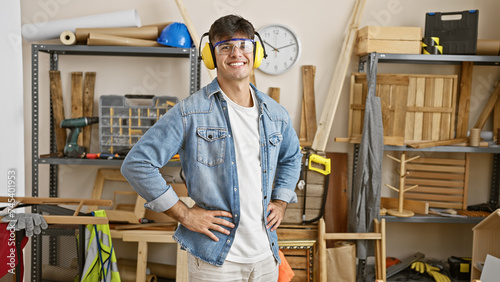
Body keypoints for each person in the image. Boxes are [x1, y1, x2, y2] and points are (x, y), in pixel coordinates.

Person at [121, 14, 302, 281]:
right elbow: (137, 163)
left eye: (244, 45)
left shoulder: (275, 114)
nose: (236, 53)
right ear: (211, 56)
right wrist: (183, 213)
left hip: (265, 256)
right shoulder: (190, 112)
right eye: (225, 46)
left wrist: (281, 200)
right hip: (217, 260)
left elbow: (292, 157)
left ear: (257, 51)